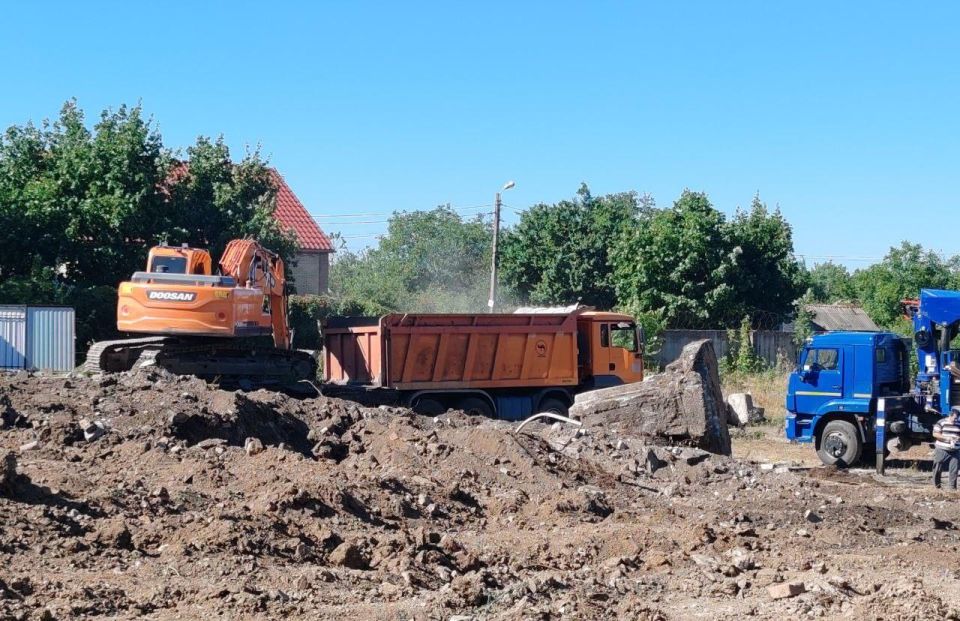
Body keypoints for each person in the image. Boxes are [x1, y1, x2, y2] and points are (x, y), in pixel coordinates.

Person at [932, 407, 960, 490]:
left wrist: (957, 438)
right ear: (950, 416)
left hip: (955, 450)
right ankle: (936, 486)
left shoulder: (959, 423)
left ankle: (952, 488)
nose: (955, 420)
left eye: (957, 418)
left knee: (954, 469)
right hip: (941, 448)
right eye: (954, 418)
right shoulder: (941, 422)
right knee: (937, 467)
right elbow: (935, 434)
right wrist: (947, 438)